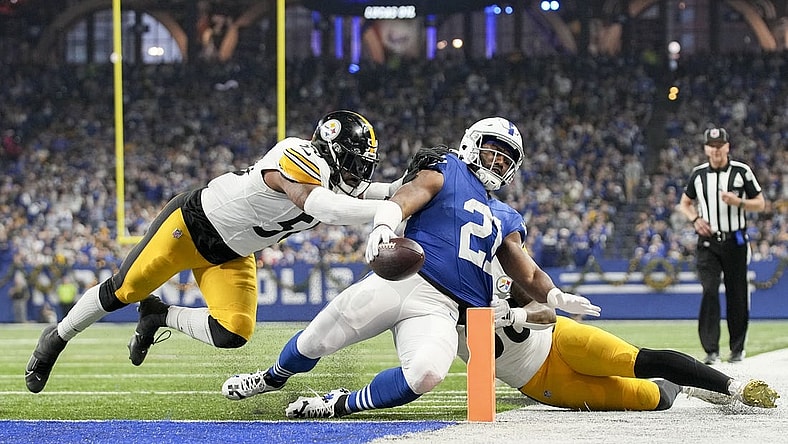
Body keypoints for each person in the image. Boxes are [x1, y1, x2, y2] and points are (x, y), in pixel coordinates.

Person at [222, 117, 601, 418]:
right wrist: (385, 224)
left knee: (426, 374)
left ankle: (338, 404)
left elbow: (529, 274)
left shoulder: (506, 215)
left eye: (506, 159)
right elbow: (407, 197)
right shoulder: (447, 167)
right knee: (315, 341)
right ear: (472, 145)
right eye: (492, 153)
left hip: (444, 308)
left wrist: (557, 295)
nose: (497, 162)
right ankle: (271, 378)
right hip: (403, 280)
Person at [25, 110, 402, 393]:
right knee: (123, 291)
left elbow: (381, 192)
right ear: (330, 149)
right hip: (190, 227)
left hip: (233, 253)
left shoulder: (335, 180)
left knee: (233, 332)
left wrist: (411, 185)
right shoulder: (297, 154)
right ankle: (55, 339)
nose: (358, 172)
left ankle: (159, 316)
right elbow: (321, 205)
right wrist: (387, 211)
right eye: (353, 161)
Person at [454, 261, 780, 411]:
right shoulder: (426, 310)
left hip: (558, 340)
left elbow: (548, 314)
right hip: (539, 382)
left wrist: (513, 314)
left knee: (635, 360)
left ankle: (733, 387)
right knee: (649, 399)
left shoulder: (497, 273)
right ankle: (679, 384)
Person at [678, 127, 765, 365]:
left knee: (737, 294)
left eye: (720, 146)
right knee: (709, 290)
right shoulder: (698, 175)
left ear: (727, 147)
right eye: (712, 146)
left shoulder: (741, 172)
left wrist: (738, 201)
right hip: (708, 243)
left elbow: (760, 203)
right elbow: (684, 203)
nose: (716, 150)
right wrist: (695, 219)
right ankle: (711, 350)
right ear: (706, 148)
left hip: (735, 240)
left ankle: (737, 349)